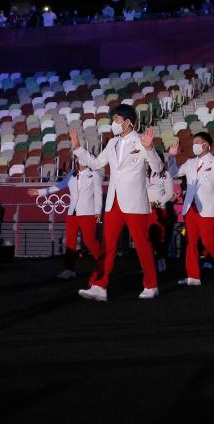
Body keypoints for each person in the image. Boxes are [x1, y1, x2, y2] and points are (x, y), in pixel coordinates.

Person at [70, 104, 163, 301]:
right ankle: (99, 286)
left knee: (141, 244)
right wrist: (78, 148)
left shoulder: (141, 141)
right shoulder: (112, 143)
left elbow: (157, 166)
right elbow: (96, 164)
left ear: (128, 122)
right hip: (113, 202)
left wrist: (149, 148)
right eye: (113, 120)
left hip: (135, 202)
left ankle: (151, 284)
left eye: (117, 120)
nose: (114, 124)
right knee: (108, 245)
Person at [170, 132, 214, 286]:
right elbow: (174, 173)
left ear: (206, 145)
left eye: (198, 142)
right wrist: (171, 157)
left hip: (208, 207)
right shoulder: (190, 163)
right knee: (191, 242)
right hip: (191, 207)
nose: (195, 145)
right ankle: (193, 276)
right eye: (193, 142)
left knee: (208, 241)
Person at [29, 162, 104, 281]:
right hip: (72, 213)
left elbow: (99, 195)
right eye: (79, 157)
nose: (81, 160)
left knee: (90, 242)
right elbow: (59, 186)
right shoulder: (71, 175)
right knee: (70, 243)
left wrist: (98, 215)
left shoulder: (94, 174)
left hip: (88, 213)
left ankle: (103, 266)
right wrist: (40, 192)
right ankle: (69, 270)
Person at [146, 151, 176, 273]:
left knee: (158, 237)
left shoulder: (166, 174)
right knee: (146, 237)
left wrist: (157, 203)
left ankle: (160, 258)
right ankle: (148, 264)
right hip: (145, 209)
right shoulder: (144, 173)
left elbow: (169, 194)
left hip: (158, 209)